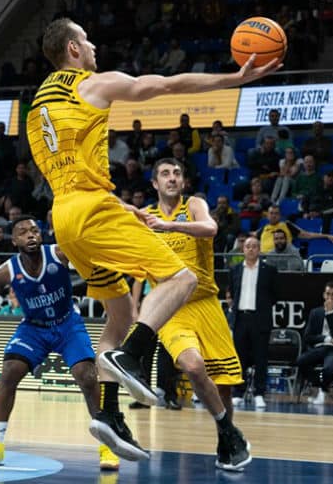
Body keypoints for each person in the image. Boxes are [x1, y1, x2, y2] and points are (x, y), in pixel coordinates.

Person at [26, 18, 280, 446]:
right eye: (87, 40)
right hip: (92, 210)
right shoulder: (92, 83)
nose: (93, 46)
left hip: (63, 217)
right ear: (72, 49)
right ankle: (132, 354)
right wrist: (233, 79)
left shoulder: (38, 104)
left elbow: (70, 170)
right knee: (182, 277)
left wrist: (117, 205)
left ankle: (108, 414)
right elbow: (164, 85)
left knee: (119, 314)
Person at [0, 216, 124, 471]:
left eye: (34, 230)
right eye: (23, 232)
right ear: (14, 240)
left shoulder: (59, 254)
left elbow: (93, 262)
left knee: (87, 376)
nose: (31, 235)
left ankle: (107, 446)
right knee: (9, 373)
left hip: (67, 324)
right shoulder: (6, 271)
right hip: (34, 328)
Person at [139, 158, 251, 470]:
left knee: (224, 383)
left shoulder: (194, 205)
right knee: (192, 365)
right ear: (155, 183)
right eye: (165, 174)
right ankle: (230, 432)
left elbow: (211, 228)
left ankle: (224, 439)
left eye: (176, 173)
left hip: (206, 303)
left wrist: (169, 225)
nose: (172, 178)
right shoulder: (145, 216)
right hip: (171, 308)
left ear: (183, 181)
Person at [229, 236, 278, 409]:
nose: (250, 249)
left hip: (260, 319)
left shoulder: (269, 270)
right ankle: (238, 392)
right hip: (240, 319)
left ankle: (259, 393)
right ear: (243, 249)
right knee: (239, 358)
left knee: (261, 358)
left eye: (254, 246)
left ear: (259, 250)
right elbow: (232, 292)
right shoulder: (235, 269)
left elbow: (275, 295)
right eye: (247, 246)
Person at [296, 282, 333, 405]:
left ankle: (322, 390)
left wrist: (330, 313)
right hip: (319, 347)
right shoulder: (315, 312)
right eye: (328, 294)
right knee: (301, 361)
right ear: (323, 295)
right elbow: (307, 337)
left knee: (329, 368)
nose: (330, 298)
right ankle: (319, 385)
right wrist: (327, 339)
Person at [257, 205, 333, 253]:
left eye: (276, 213)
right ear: (267, 215)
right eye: (271, 213)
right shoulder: (264, 228)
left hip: (281, 258)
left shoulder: (286, 225)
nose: (273, 216)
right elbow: (253, 236)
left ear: (280, 215)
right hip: (263, 259)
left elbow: (307, 235)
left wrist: (326, 236)